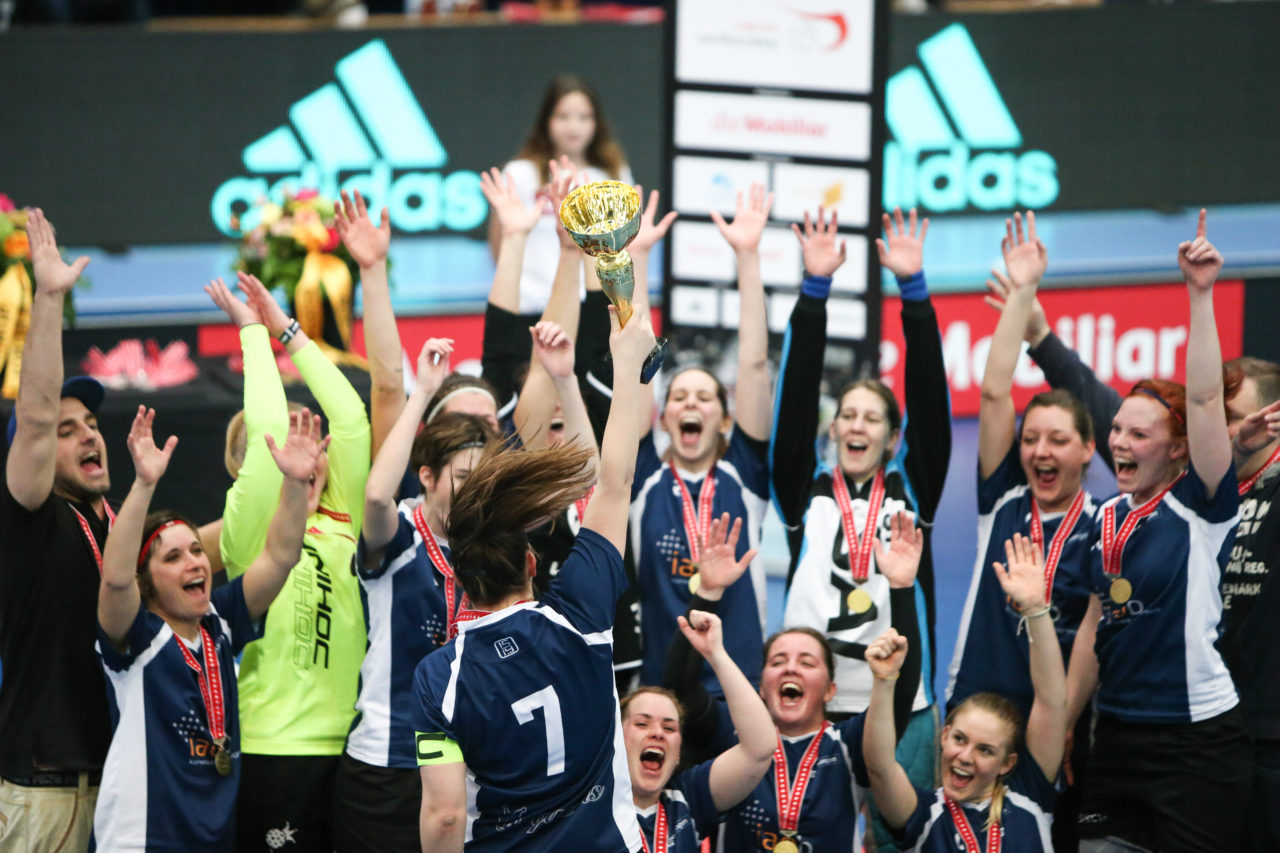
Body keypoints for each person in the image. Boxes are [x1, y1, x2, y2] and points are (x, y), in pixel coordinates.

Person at [410, 304, 657, 850]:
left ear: (458, 571)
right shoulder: (581, 614)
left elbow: (445, 817)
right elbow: (613, 483)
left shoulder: (438, 678)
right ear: (530, 563)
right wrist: (627, 368)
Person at [1061, 211, 1251, 852]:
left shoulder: (1202, 505)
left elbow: (1202, 402)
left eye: (1138, 434)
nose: (1118, 441)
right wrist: (1065, 721)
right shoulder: (1103, 518)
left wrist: (1200, 293)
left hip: (1195, 742)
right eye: (1116, 429)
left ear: (1177, 450)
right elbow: (1093, 625)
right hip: (1114, 734)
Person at [772, 207, 949, 848]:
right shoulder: (803, 495)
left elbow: (931, 400)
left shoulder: (913, 493)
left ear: (893, 437)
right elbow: (792, 403)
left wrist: (915, 294)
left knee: (905, 842)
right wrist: (814, 293)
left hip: (904, 707)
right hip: (811, 705)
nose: (855, 426)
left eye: (872, 418)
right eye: (847, 415)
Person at [93, 405, 326, 851]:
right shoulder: (134, 638)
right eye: (173, 557)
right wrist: (144, 483)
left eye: (197, 550)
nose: (195, 561)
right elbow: (116, 578)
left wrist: (296, 484)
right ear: (148, 582)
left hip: (214, 839)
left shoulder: (219, 622)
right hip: (142, 840)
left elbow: (280, 555)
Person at [206, 270, 371, 853]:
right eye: (289, 444)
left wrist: (289, 330)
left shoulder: (346, 515)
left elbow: (352, 418)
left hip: (356, 746)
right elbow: (269, 426)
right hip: (277, 746)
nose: (308, 447)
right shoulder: (248, 529)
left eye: (314, 439)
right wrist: (251, 333)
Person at [946, 212, 1096, 849]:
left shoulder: (1100, 527)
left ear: (1089, 450)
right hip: (974, 699)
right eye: (1032, 438)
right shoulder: (1002, 498)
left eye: (1058, 440)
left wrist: (1065, 718)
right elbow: (994, 389)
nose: (1040, 450)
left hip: (1041, 716)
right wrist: (1025, 288)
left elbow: (1090, 633)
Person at [331, 336, 496, 852]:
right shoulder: (400, 533)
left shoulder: (492, 548)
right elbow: (378, 493)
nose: (475, 491)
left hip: (470, 766)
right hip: (388, 761)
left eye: (483, 479)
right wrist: (422, 392)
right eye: (464, 477)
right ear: (426, 476)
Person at [630, 183, 773, 696]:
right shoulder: (643, 476)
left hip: (737, 684)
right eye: (679, 397)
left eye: (705, 398)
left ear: (725, 420)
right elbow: (637, 365)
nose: (690, 403)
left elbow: (755, 367)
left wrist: (748, 256)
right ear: (663, 418)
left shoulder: (747, 476)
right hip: (659, 691)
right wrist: (639, 259)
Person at [0, 208, 108, 852]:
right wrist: (47, 299)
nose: (87, 432)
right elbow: (34, 417)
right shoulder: (30, 518)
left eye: (90, 423)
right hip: (45, 792)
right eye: (67, 432)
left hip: (107, 783)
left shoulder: (110, 521)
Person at [865, 533, 1067, 851]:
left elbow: (1052, 702)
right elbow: (879, 765)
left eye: (985, 750)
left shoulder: (1030, 796)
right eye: (959, 739)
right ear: (944, 736)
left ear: (1007, 763)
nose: (965, 757)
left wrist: (1036, 610)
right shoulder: (923, 813)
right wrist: (883, 681)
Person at [622, 599, 775, 852]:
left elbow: (760, 749)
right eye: (642, 723)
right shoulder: (591, 802)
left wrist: (716, 654)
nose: (658, 733)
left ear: (679, 751)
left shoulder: (688, 797)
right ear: (617, 739)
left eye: (670, 728)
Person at [491, 75, 632, 318]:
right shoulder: (520, 174)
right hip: (529, 306)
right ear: (547, 121)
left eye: (584, 117)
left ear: (597, 123)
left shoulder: (612, 176)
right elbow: (500, 245)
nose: (573, 126)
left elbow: (625, 250)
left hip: (592, 307)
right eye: (563, 116)